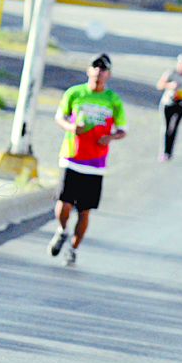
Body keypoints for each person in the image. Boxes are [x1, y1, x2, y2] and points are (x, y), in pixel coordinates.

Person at [48, 53, 127, 266]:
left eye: (103, 68)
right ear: (89, 70)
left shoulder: (113, 99)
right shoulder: (75, 93)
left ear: (108, 74)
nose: (99, 71)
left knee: (84, 211)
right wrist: (71, 127)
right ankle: (62, 230)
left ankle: (73, 249)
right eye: (95, 67)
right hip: (71, 157)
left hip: (95, 163)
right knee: (63, 205)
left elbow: (123, 130)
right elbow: (59, 116)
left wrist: (109, 137)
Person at [156, 54, 182, 161]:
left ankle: (170, 152)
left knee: (175, 128)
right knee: (167, 127)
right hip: (169, 102)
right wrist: (170, 85)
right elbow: (160, 85)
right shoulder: (171, 73)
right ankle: (164, 151)